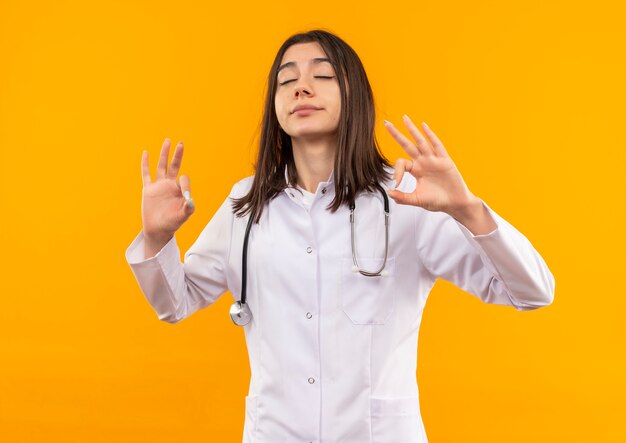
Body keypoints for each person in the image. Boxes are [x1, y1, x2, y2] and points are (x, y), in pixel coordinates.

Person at [125, 29, 555, 443]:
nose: (301, 88)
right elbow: (175, 302)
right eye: (286, 79)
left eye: (323, 76)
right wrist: (156, 239)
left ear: (355, 96)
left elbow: (532, 292)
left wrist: (467, 209)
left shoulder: (408, 200)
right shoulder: (246, 204)